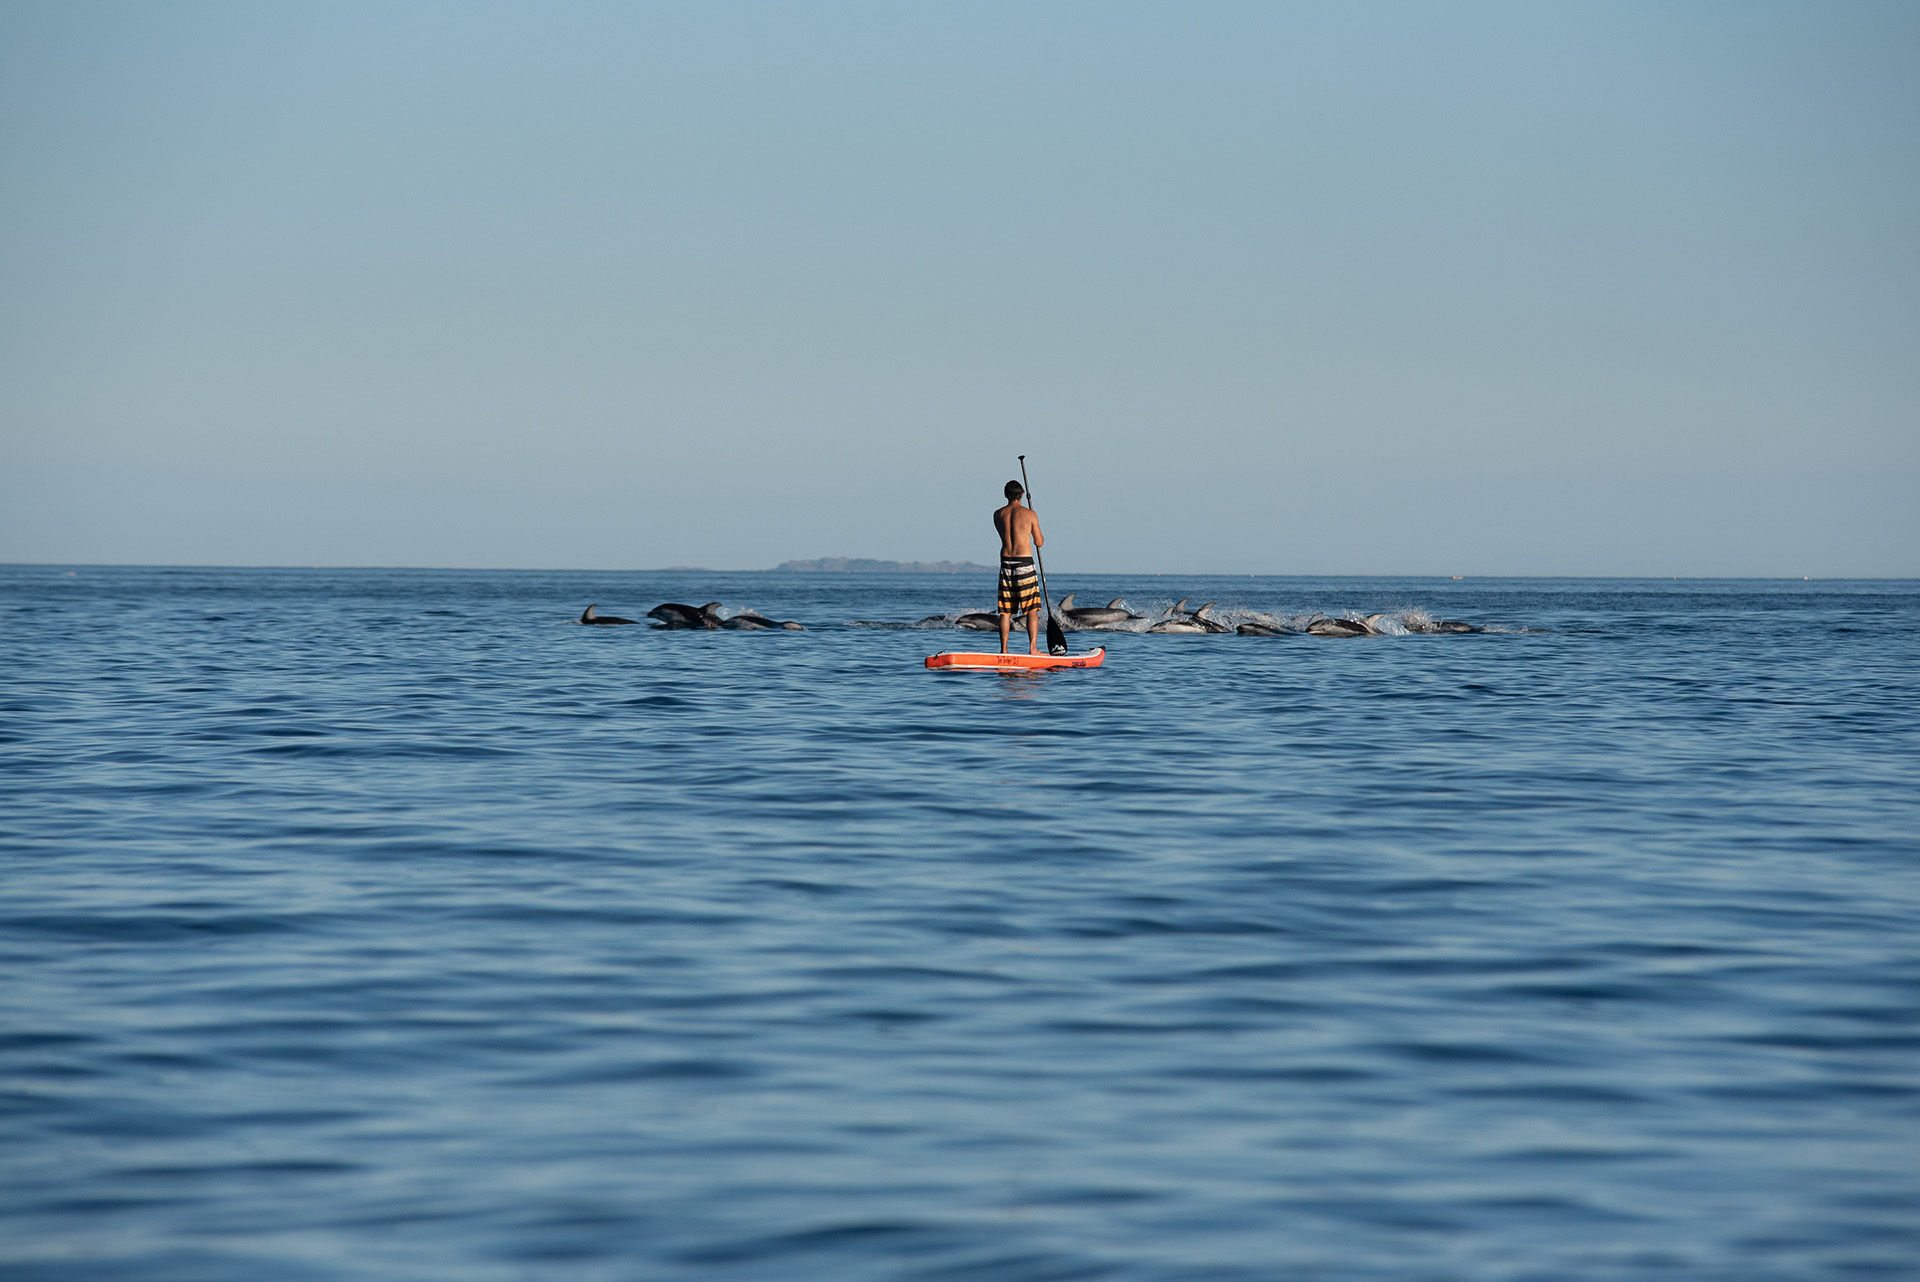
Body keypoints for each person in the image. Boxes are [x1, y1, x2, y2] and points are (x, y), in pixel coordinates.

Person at [993, 480, 1045, 654]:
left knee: (1005, 612)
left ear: (1006, 495)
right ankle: (1033, 648)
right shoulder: (1030, 514)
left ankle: (1004, 650)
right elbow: (1039, 542)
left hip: (1006, 564)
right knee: (1031, 609)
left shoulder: (998, 514)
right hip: (1024, 564)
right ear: (1022, 495)